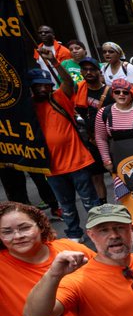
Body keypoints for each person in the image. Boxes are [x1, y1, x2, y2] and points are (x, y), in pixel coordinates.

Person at [25, 64, 103, 242]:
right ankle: (74, 233)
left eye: (46, 84)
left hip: (78, 162)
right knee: (66, 204)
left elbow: (68, 83)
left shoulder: (59, 98)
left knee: (90, 201)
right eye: (38, 85)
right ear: (31, 87)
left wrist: (55, 63)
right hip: (52, 168)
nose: (43, 88)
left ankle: (99, 229)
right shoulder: (28, 109)